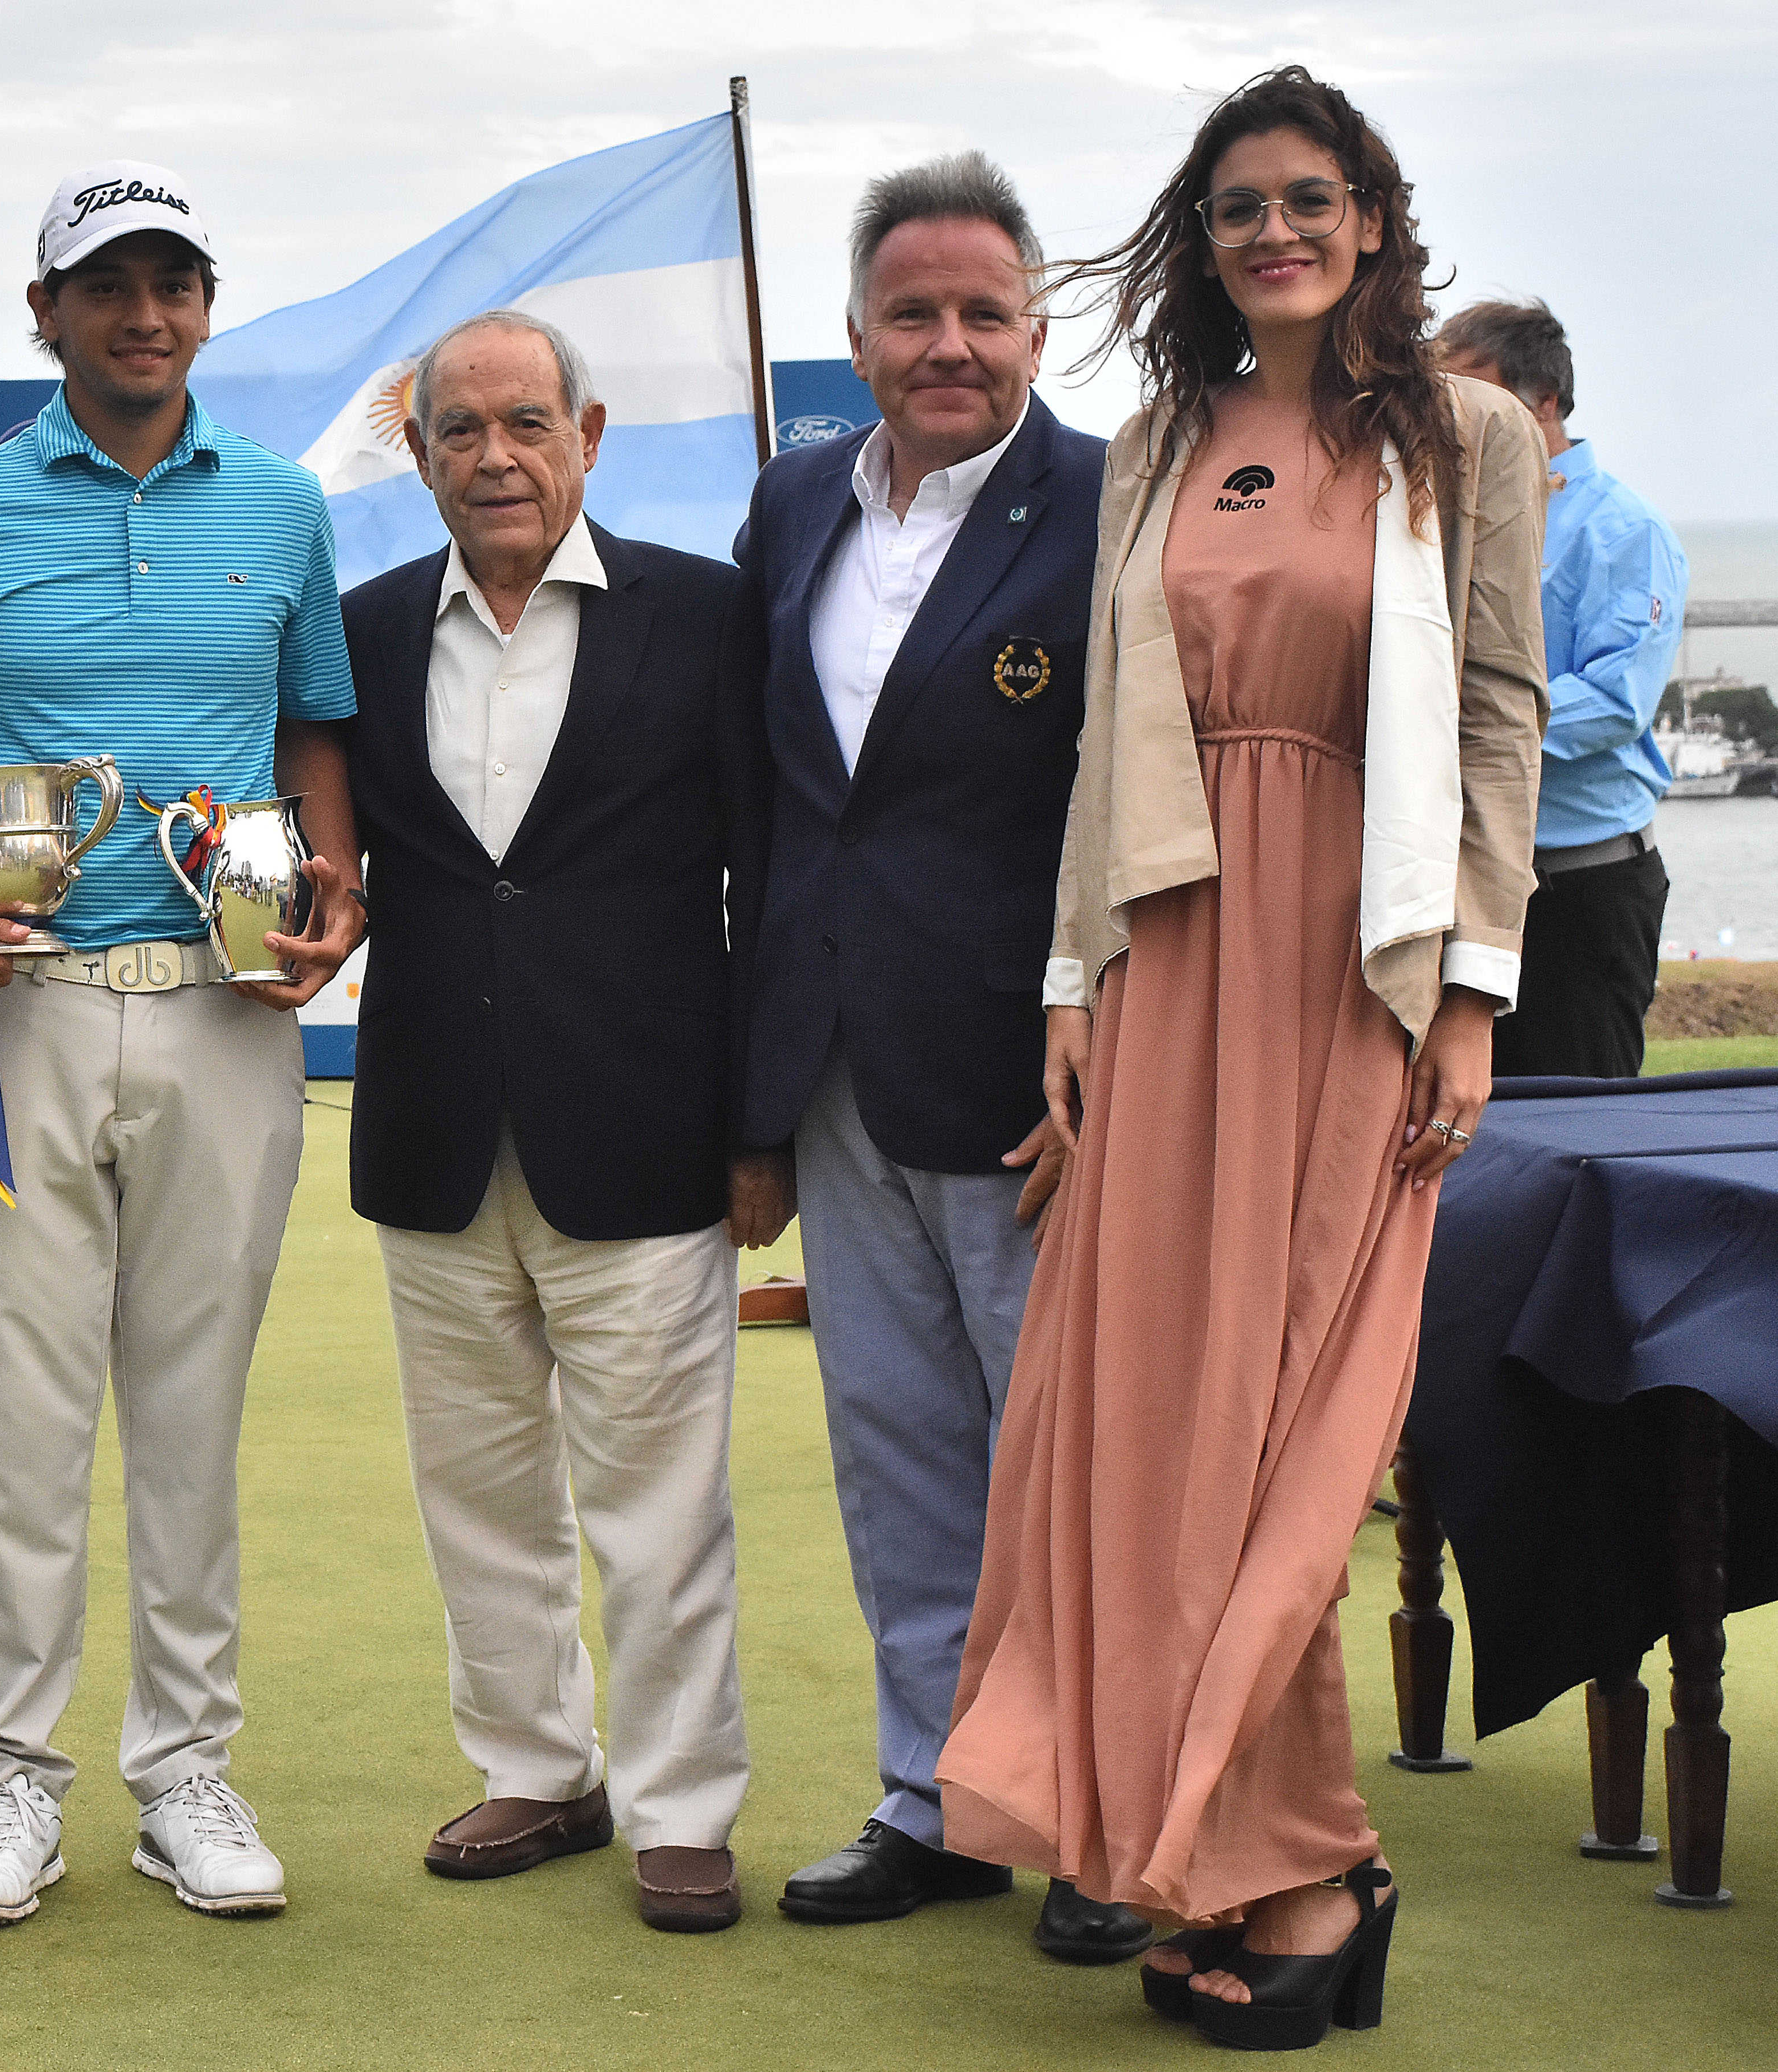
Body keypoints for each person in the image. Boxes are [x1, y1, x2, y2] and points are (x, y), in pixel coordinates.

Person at [937, 68, 1547, 2051]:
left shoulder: (1463, 434)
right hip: (1168, 956)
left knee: (1289, 1416)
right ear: (1205, 245)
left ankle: (1311, 1861)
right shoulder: (1162, 440)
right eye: (1233, 209)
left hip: (1354, 966)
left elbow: (1501, 720)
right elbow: (1111, 731)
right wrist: (1068, 980)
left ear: (1371, 214)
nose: (1269, 231)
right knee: (1149, 1424)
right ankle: (1262, 1866)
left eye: (1305, 197)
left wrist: (1469, 985)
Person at [0, 159, 365, 1925]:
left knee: (191, 1413)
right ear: (45, 312)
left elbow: (311, 744)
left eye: (176, 284)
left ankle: (181, 1774)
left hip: (225, 1011)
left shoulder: (285, 508)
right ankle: (10, 1774)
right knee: (26, 1415)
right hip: (20, 1015)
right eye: (110, 286)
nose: (146, 315)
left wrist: (338, 887)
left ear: (204, 309)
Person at [725, 151, 1144, 1965]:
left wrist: (1106, 1029)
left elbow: (1146, 809)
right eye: (913, 312)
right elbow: (771, 810)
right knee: (894, 1451)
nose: (949, 341)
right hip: (833, 1068)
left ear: (1037, 326)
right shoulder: (793, 499)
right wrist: (750, 1096)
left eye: (983, 310)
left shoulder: (1114, 503)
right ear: (855, 335)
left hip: (1035, 1077)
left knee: (1061, 1463)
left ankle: (1101, 1816)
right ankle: (940, 1797)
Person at [342, 311, 754, 1933]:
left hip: (647, 1128)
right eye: (459, 430)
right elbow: (330, 852)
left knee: (661, 1505)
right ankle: (537, 1769)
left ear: (588, 435)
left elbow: (767, 880)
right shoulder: (366, 632)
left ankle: (679, 1804)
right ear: (422, 449)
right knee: (480, 1493)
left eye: (526, 424)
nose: (494, 456)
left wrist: (759, 1120)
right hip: (436, 1132)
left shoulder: (708, 616)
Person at [1436, 300, 1687, 1078]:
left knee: (1581, 1120)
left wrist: (1454, 724)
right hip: (1461, 880)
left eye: (1474, 389)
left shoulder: (1623, 531)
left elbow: (1616, 702)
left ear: (1545, 400)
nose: (1455, 412)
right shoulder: (1441, 515)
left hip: (1579, 883)